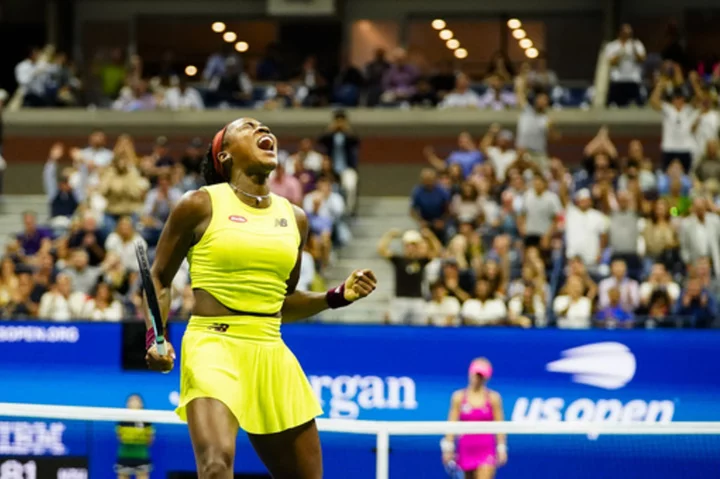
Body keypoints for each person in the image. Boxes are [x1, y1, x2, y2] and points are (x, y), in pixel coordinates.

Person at [144, 117, 377, 479]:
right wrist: (155, 337)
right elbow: (158, 278)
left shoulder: (295, 218)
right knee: (216, 466)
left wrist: (336, 296)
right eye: (249, 127)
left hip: (271, 349)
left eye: (265, 128)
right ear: (224, 154)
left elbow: (284, 303)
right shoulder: (199, 204)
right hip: (213, 345)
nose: (263, 130)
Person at [442, 358, 508, 479]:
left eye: (481, 376)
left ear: (487, 378)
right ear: (470, 373)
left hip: (486, 449)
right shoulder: (458, 397)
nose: (477, 378)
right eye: (476, 374)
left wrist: (501, 447)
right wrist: (448, 447)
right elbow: (451, 424)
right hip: (466, 449)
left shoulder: (493, 398)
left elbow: (500, 426)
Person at [115, 394, 153, 479]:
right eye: (131, 400)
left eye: (137, 400)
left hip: (141, 456)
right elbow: (119, 437)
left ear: (141, 404)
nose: (134, 403)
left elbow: (150, 439)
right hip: (125, 456)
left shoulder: (147, 419)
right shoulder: (122, 419)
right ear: (127, 404)